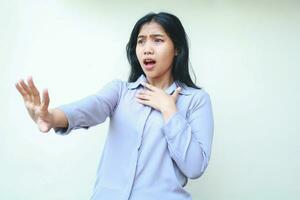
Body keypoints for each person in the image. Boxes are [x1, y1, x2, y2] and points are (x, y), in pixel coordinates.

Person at [16, 12, 214, 200]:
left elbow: (194, 166)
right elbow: (92, 107)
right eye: (141, 41)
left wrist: (169, 109)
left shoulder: (196, 100)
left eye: (157, 40)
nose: (147, 48)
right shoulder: (120, 92)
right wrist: (50, 117)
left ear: (177, 48)